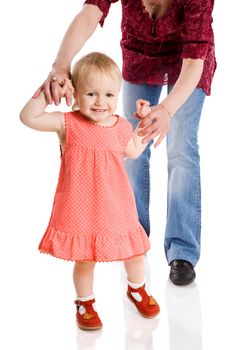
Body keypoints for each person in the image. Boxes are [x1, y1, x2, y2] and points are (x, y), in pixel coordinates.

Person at [34, 0, 216, 285]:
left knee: (180, 148)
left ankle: (182, 251)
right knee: (130, 147)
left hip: (188, 64)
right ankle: (132, 234)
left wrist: (167, 109)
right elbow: (90, 13)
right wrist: (60, 66)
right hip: (140, 57)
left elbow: (194, 61)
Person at [20, 52, 160, 331]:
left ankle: (137, 289)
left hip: (117, 205)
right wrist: (50, 91)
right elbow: (28, 117)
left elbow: (134, 150)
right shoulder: (67, 123)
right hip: (79, 208)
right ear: (75, 94)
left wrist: (144, 124)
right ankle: (85, 302)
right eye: (91, 93)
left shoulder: (121, 126)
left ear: (118, 95)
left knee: (134, 253)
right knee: (85, 260)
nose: (100, 102)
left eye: (109, 94)